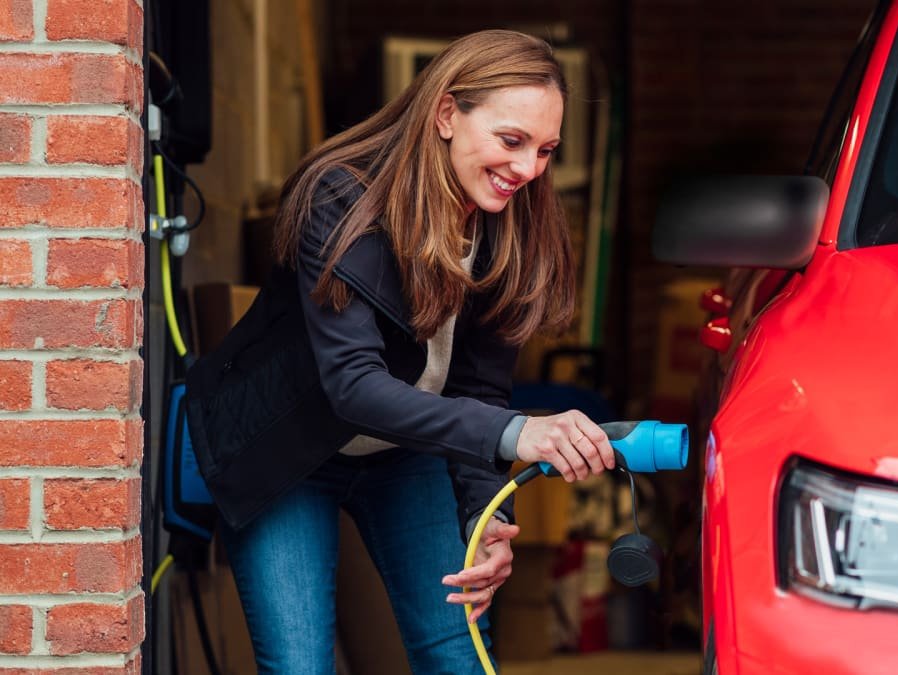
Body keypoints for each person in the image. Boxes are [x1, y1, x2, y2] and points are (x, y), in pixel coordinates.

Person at [184, 29, 615, 674]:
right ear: (447, 113)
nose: (529, 169)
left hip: (403, 453)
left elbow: (481, 391)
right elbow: (353, 386)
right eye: (512, 141)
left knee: (457, 655)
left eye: (546, 150)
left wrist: (485, 515)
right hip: (286, 451)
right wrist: (517, 433)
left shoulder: (510, 225)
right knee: (299, 665)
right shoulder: (340, 199)